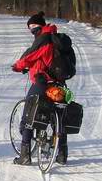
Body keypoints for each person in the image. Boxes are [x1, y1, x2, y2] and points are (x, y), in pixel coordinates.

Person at [11, 11, 68, 165]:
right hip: (59, 83)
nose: (31, 30)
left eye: (32, 26)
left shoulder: (43, 39)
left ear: (38, 26)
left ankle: (25, 156)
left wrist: (17, 66)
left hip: (43, 82)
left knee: (28, 115)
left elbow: (29, 56)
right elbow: (43, 59)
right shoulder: (57, 39)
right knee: (59, 119)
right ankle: (62, 155)